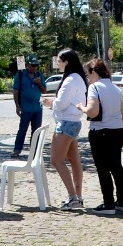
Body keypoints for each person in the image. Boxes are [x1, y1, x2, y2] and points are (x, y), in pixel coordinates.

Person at [82, 58, 123, 214]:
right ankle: (122, 201)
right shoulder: (116, 88)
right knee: (116, 167)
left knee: (102, 168)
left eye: (88, 74)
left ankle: (108, 203)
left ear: (94, 72)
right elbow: (122, 114)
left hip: (100, 132)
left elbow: (93, 111)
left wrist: (82, 107)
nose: (87, 78)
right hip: (116, 131)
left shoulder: (95, 87)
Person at [48, 49, 88, 211]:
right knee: (73, 160)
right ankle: (77, 196)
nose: (57, 64)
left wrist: (50, 103)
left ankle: (73, 197)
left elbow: (62, 103)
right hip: (73, 121)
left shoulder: (71, 79)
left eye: (59, 61)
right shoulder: (78, 78)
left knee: (56, 160)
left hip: (66, 122)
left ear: (66, 62)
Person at [11, 55, 47, 158]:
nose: (34, 68)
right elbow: (16, 91)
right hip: (26, 108)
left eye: (36, 66)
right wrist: (17, 106)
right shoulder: (20, 75)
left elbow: (44, 90)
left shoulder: (39, 75)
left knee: (36, 131)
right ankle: (17, 149)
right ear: (27, 65)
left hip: (37, 108)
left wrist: (39, 83)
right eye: (32, 65)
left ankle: (35, 151)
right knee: (22, 129)